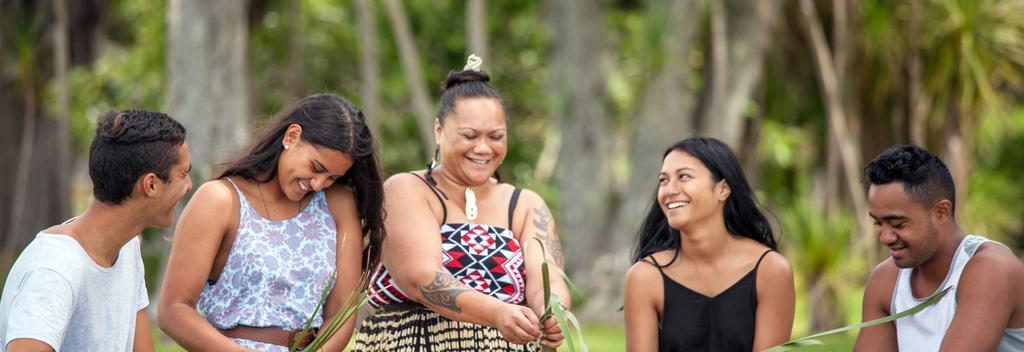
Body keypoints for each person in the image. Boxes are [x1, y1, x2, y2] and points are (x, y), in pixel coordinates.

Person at [352, 56, 568, 351]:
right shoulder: (406, 190)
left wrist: (551, 312)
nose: (483, 148)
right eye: (469, 135)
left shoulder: (527, 204)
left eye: (496, 136)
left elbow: (549, 280)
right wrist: (498, 313)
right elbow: (423, 280)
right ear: (439, 131)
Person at [158, 93, 384, 352]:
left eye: (332, 177)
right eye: (316, 168)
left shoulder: (338, 204)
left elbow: (341, 313)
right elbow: (173, 310)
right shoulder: (220, 200)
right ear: (291, 137)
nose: (319, 184)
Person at [0, 110, 190, 352]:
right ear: (151, 184)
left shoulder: (127, 246)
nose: (189, 186)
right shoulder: (54, 270)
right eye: (183, 174)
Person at [624, 137, 795, 352]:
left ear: (723, 189)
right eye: (663, 180)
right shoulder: (645, 277)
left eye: (683, 176)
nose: (669, 190)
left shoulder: (770, 270)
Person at [854, 145, 1024, 351]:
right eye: (878, 223)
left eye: (897, 224)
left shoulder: (992, 269)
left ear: (941, 211)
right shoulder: (885, 280)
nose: (885, 237)